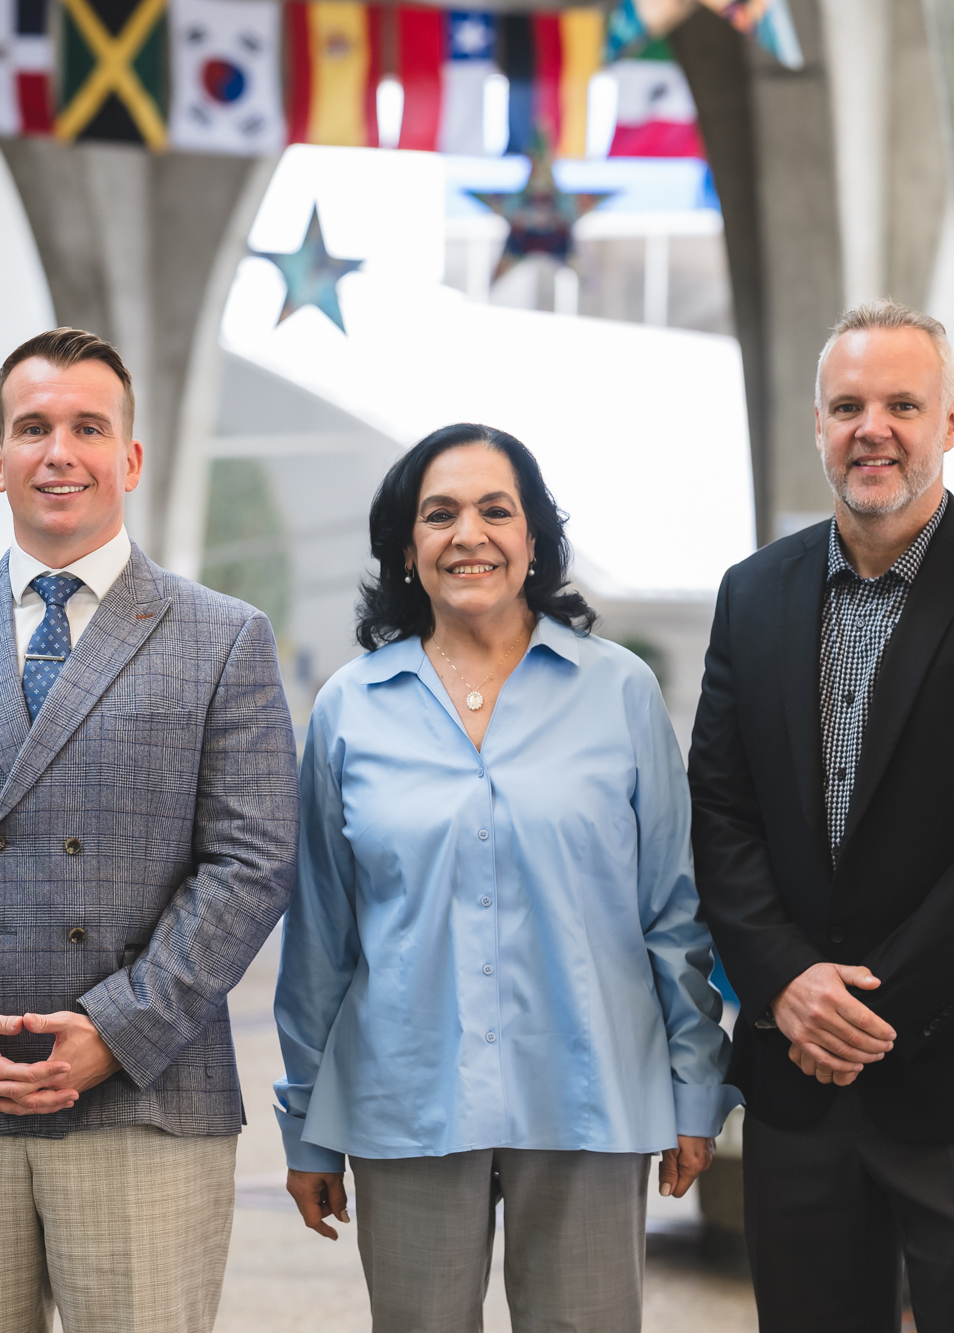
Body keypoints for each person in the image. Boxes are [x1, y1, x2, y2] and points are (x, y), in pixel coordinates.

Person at [0, 327, 298, 1333]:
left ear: (130, 458)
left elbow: (254, 860)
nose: (59, 452)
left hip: (145, 1094)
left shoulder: (224, 637)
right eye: (33, 427)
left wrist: (119, 1028)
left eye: (88, 428)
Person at [689, 300, 954, 1331]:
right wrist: (786, 982)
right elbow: (721, 811)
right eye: (846, 406)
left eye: (901, 405)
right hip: (799, 1080)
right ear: (818, 425)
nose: (870, 429)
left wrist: (864, 1010)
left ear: (951, 421)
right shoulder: (753, 594)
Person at [275, 424, 741, 1333]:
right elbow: (320, 938)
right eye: (439, 514)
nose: (469, 534)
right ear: (406, 548)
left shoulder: (620, 692)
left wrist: (694, 1087)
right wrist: (307, 1123)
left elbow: (673, 913)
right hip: (405, 1098)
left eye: (496, 510)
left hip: (589, 1092)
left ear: (534, 540)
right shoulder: (348, 710)